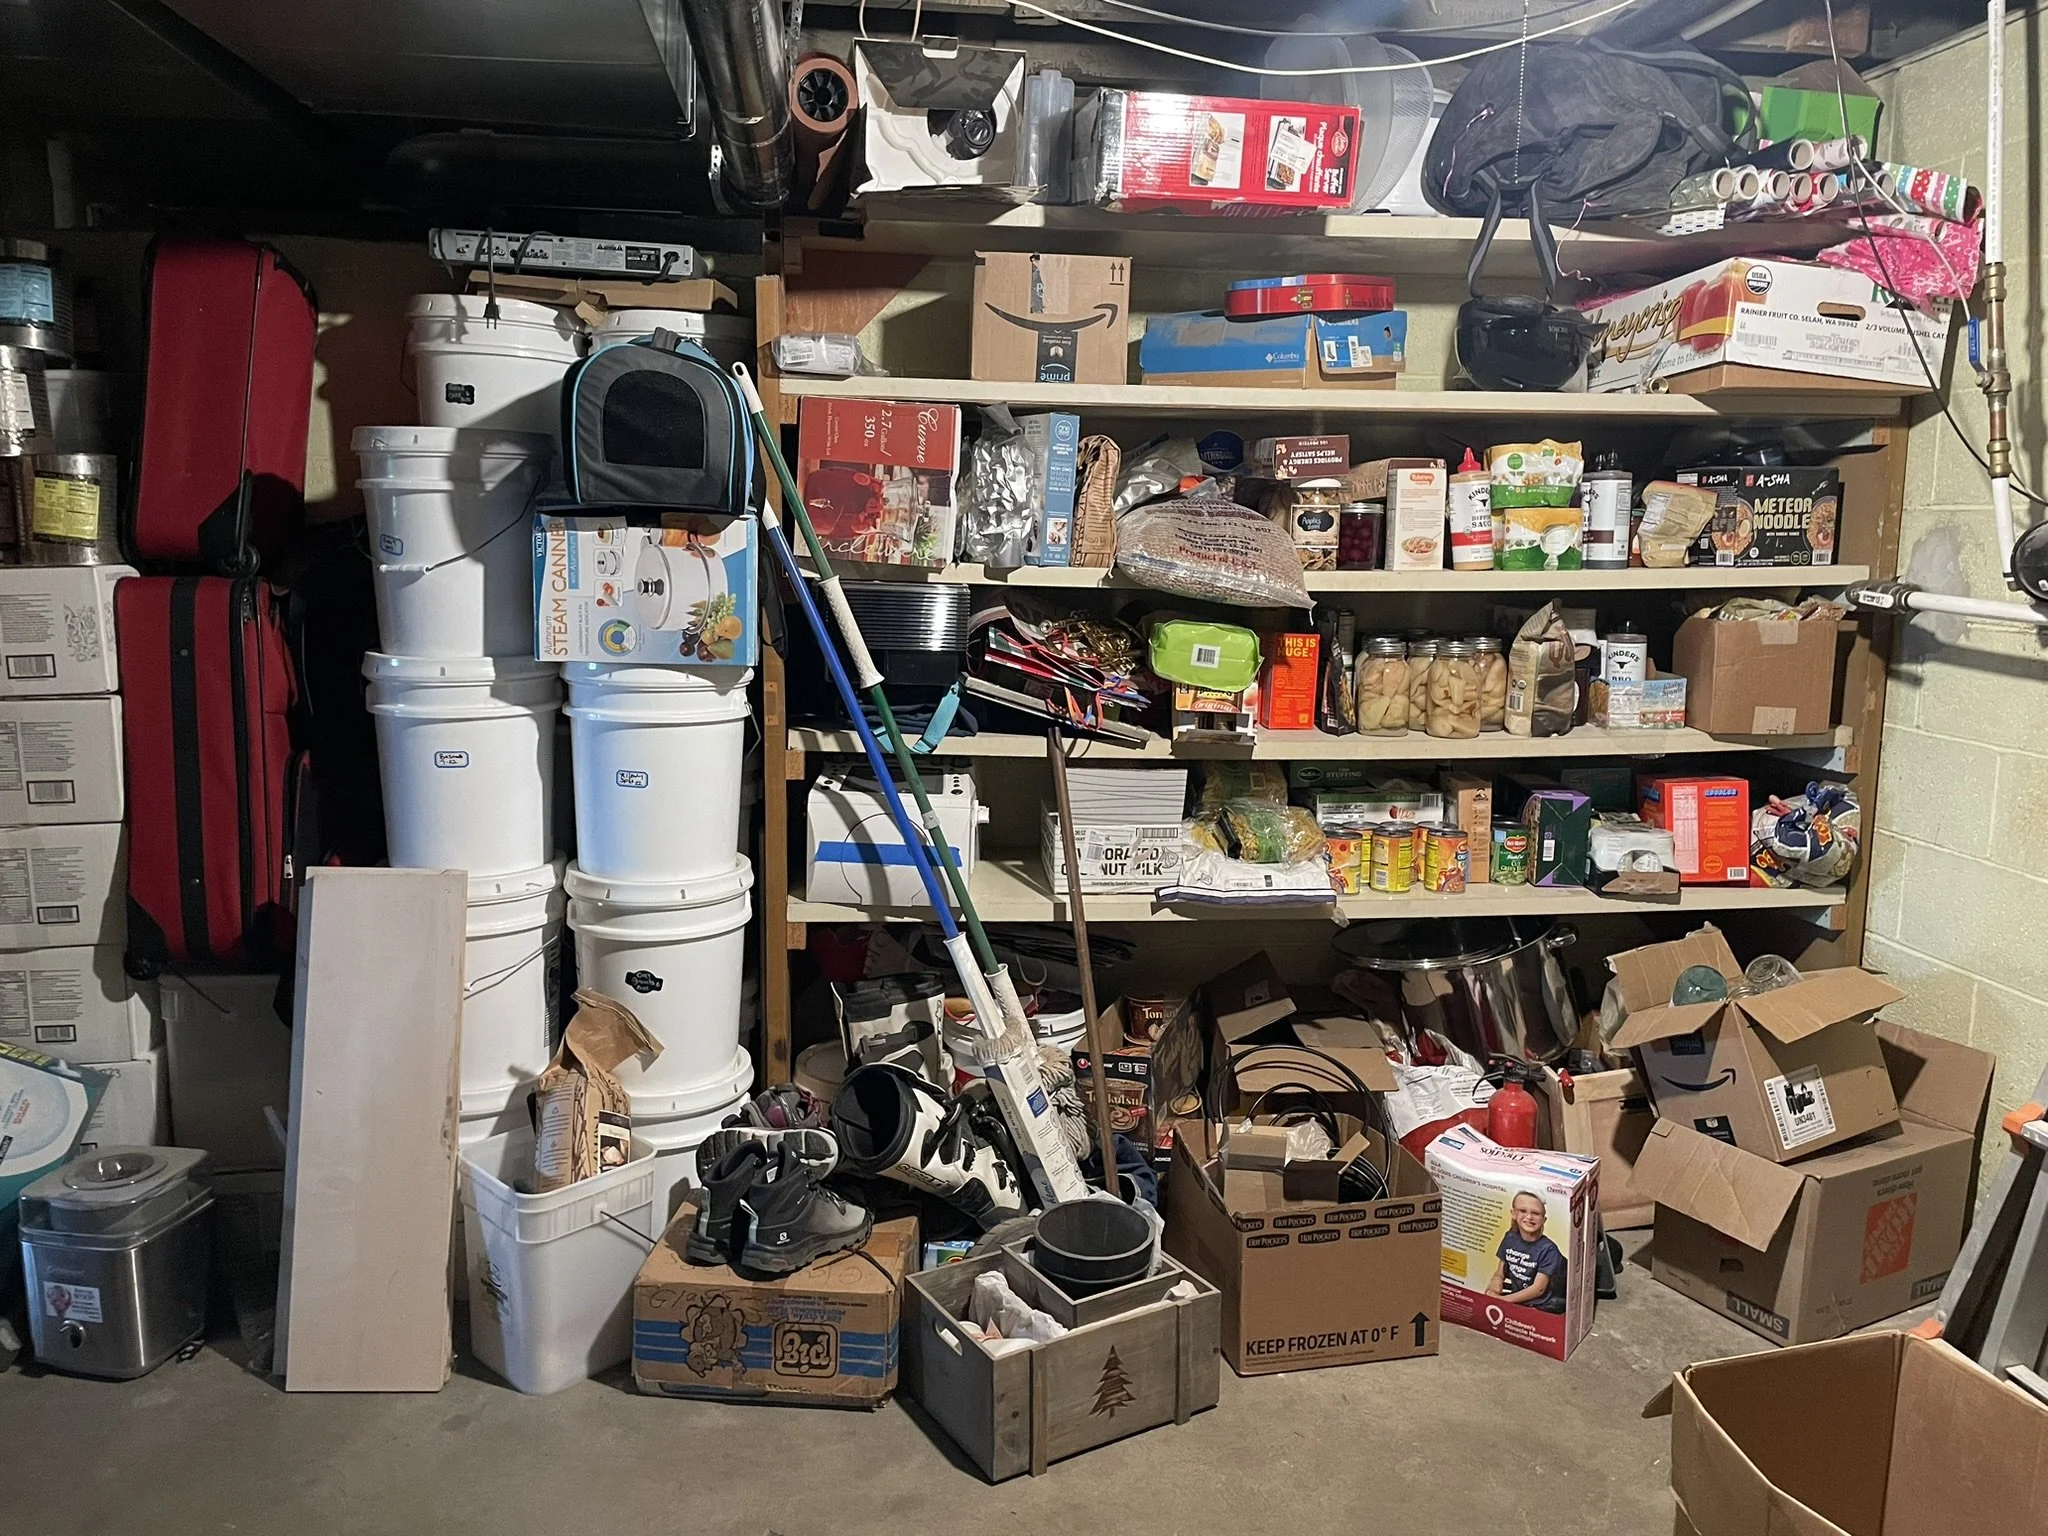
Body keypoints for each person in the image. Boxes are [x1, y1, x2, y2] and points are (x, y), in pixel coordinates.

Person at [1486, 1191, 1567, 1314]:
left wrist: (1503, 1300)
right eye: (1523, 1211)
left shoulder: (1548, 1250)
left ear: (1543, 1219)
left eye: (1535, 1213)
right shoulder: (1510, 1238)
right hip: (1518, 1298)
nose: (1529, 1217)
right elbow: (1499, 1273)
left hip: (1543, 1305)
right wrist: (1495, 1285)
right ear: (1513, 1214)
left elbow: (1538, 1289)